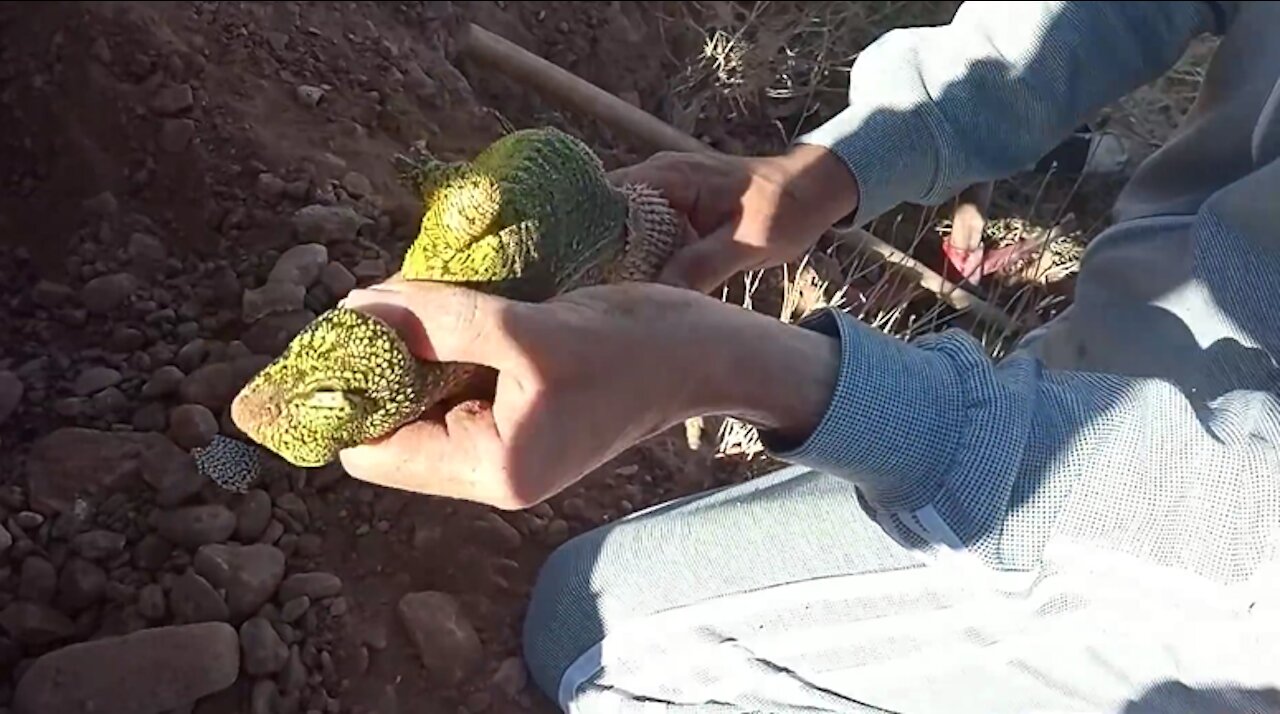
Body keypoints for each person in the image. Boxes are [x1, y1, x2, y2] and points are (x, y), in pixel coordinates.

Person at [341, 1, 1280, 711]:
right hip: (1115, 379)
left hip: (1233, 591)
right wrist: (839, 166)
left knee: (590, 635)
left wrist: (746, 371)